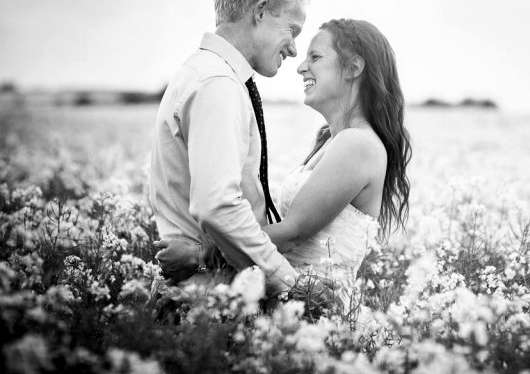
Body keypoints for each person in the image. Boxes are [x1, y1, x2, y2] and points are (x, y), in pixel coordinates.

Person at [156, 18, 412, 301]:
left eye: (315, 57)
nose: (302, 67)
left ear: (353, 68)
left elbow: (293, 233)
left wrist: (201, 256)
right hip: (294, 295)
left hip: (315, 306)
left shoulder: (357, 144)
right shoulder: (333, 141)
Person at [149, 0, 308, 296]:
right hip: (210, 295)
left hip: (211, 284)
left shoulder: (208, 74)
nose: (294, 48)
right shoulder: (217, 83)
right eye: (292, 29)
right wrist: (291, 286)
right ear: (261, 12)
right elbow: (218, 206)